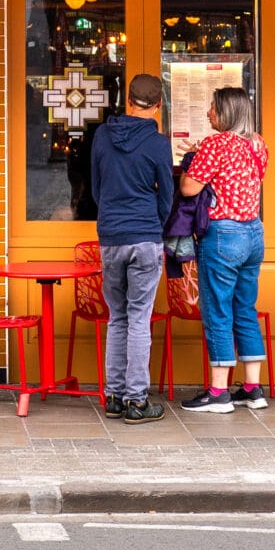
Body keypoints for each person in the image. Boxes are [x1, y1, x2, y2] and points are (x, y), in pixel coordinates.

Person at [174, 88, 271, 413]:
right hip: (253, 232)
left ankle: (218, 392)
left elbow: (189, 188)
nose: (208, 113)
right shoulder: (258, 143)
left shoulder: (216, 144)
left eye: (213, 108)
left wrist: (191, 161)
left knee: (217, 311)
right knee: (245, 309)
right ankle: (253, 389)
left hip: (223, 235)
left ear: (227, 112)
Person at [88, 73, 173, 423]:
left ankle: (114, 397)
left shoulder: (102, 136)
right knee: (139, 318)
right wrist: (154, 224)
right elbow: (166, 195)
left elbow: (96, 188)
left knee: (117, 317)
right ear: (158, 105)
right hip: (144, 236)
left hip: (111, 236)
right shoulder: (158, 143)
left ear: (127, 100)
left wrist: (112, 217)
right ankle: (137, 401)